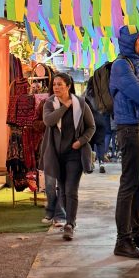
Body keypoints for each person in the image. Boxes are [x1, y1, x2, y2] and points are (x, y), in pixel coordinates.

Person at [110, 26, 139, 258]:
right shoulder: (121, 66)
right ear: (129, 41)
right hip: (129, 129)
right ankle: (122, 240)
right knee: (129, 184)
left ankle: (135, 232)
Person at [41, 72, 95, 240]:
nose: (56, 87)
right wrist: (64, 107)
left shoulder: (80, 103)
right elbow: (48, 121)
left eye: (59, 84)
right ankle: (67, 219)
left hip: (75, 154)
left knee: (71, 189)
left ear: (68, 86)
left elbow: (91, 127)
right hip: (56, 154)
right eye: (54, 84)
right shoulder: (50, 103)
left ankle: (70, 223)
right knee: (62, 190)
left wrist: (81, 141)